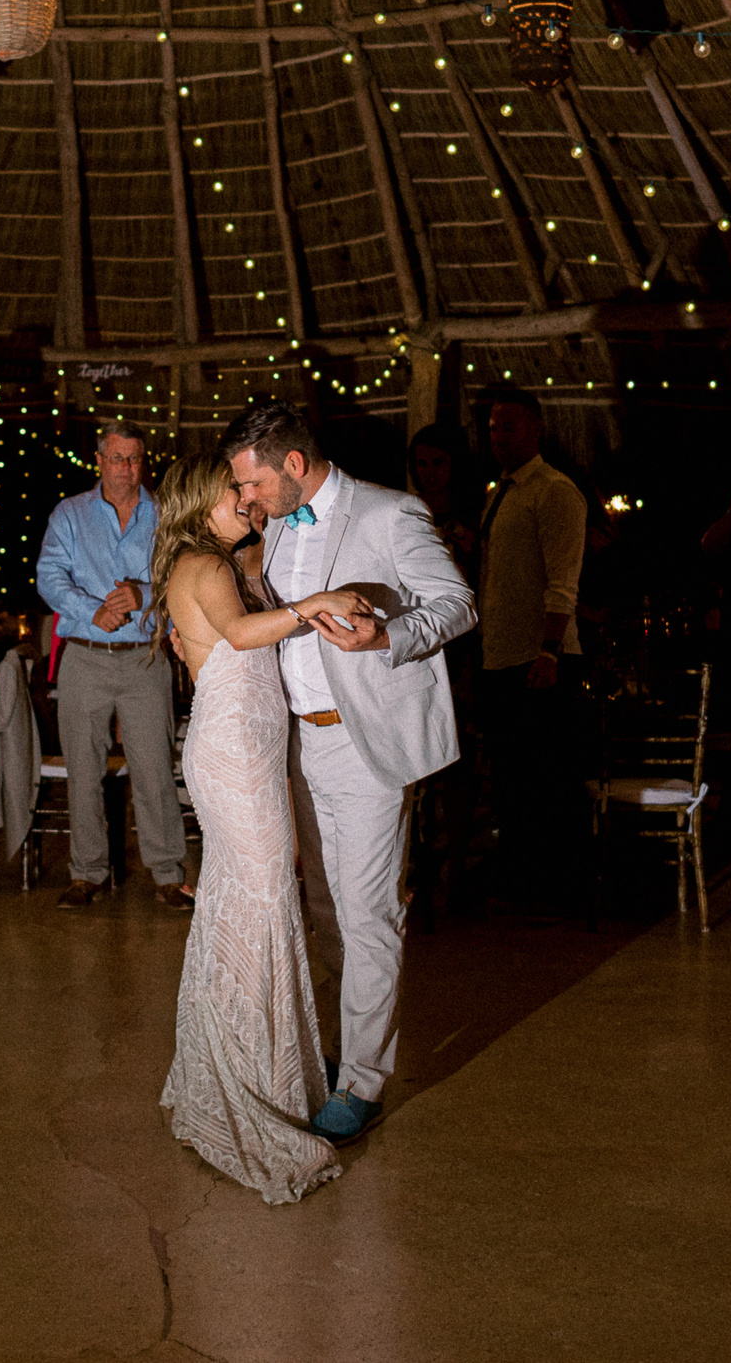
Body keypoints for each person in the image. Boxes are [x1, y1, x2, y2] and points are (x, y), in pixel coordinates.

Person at [226, 401, 477, 1144]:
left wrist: (388, 635)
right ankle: (339, 1049)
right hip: (297, 743)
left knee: (368, 911)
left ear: (293, 466)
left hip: (364, 741)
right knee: (327, 910)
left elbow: (457, 603)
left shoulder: (391, 513)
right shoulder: (272, 525)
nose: (246, 500)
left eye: (253, 485)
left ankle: (363, 1081)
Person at [153, 452, 360, 1203]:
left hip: (247, 746)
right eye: (234, 489)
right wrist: (316, 603)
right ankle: (249, 1089)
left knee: (253, 902)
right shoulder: (203, 564)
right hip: (235, 751)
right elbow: (242, 637)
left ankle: (246, 1075)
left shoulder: (222, 558)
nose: (247, 497)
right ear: (201, 498)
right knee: (263, 902)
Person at [34, 420, 188, 911]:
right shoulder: (71, 514)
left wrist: (143, 594)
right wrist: (90, 610)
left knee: (154, 768)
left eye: (135, 459)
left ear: (145, 461)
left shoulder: (165, 513)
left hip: (144, 657)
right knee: (83, 768)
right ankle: (87, 874)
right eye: (117, 459)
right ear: (99, 461)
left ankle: (168, 873)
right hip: (85, 655)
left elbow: (183, 576)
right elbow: (48, 576)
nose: (126, 469)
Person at [474, 387, 588, 904]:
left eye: (509, 427)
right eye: (494, 427)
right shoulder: (500, 491)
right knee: (512, 776)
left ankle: (560, 881)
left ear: (536, 431)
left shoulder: (554, 489)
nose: (498, 437)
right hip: (499, 652)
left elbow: (564, 579)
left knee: (550, 776)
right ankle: (523, 878)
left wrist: (550, 650)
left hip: (541, 655)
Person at [408, 423, 478, 580]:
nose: (430, 472)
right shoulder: (410, 511)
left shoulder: (473, 509)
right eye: (422, 464)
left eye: (438, 462)